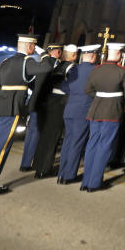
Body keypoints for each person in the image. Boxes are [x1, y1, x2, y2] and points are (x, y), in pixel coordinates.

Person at [0, 34, 53, 197]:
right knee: (0, 148)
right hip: (10, 108)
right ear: (30, 47)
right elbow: (46, 67)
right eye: (33, 46)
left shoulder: (6, 62)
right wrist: (44, 54)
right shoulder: (27, 62)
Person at [80, 43, 125, 192]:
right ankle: (94, 183)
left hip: (95, 110)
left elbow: (87, 89)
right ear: (118, 55)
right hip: (112, 112)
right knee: (104, 145)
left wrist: (100, 98)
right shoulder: (121, 71)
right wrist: (116, 100)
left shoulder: (97, 69)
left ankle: (85, 182)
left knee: (92, 144)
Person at [32, 44, 76, 178]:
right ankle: (44, 169)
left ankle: (38, 164)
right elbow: (71, 88)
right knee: (53, 137)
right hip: (60, 103)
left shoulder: (58, 65)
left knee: (45, 135)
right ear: (74, 55)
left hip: (50, 101)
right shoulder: (72, 68)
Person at [57, 44, 99, 184]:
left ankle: (61, 174)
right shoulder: (95, 70)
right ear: (93, 56)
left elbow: (64, 87)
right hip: (84, 109)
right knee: (77, 142)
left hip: (69, 109)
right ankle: (69, 175)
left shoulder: (74, 68)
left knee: (68, 141)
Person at [19, 44, 57, 172]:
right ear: (55, 52)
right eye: (59, 51)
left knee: (31, 134)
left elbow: (30, 82)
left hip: (34, 102)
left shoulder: (39, 64)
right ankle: (30, 163)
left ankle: (25, 162)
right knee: (36, 134)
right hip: (43, 104)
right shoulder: (51, 65)